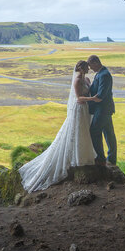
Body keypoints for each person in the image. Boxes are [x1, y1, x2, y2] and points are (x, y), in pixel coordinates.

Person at [19, 60, 101, 192]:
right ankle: (76, 158)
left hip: (84, 109)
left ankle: (82, 155)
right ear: (81, 68)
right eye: (87, 67)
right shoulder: (77, 80)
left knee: (84, 132)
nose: (89, 69)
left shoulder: (85, 79)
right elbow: (78, 97)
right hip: (78, 109)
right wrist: (92, 99)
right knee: (77, 131)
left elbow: (87, 92)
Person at [87, 54, 117, 166]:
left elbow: (100, 96)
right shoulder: (101, 73)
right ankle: (111, 158)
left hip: (103, 109)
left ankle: (101, 157)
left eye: (91, 66)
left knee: (94, 131)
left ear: (96, 62)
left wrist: (86, 99)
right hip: (105, 108)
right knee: (109, 133)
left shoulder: (104, 75)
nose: (90, 69)